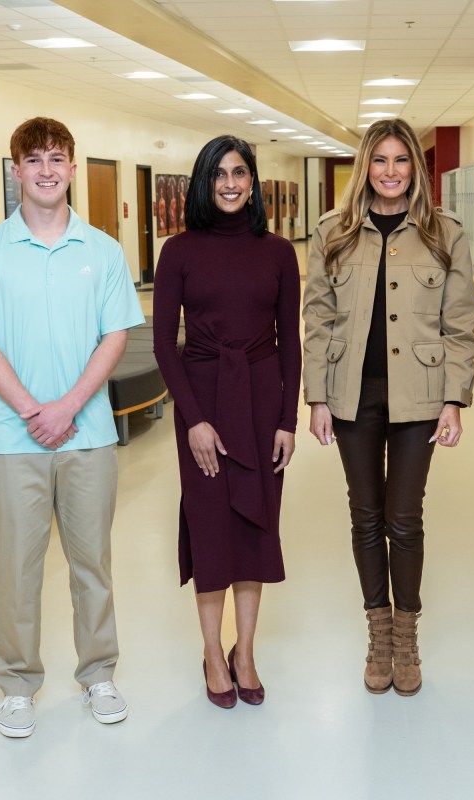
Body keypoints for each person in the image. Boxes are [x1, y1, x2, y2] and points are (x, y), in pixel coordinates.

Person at [0, 117, 144, 738]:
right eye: (35, 161)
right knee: (17, 568)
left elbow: (115, 337)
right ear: (16, 172)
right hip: (12, 440)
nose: (47, 170)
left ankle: (99, 674)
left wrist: (68, 408)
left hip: (88, 438)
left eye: (58, 159)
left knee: (93, 564)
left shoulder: (104, 251)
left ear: (73, 168)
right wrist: (35, 410)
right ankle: (17, 684)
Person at [303, 117, 474, 697]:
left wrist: (455, 398)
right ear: (365, 167)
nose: (391, 172)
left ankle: (406, 640)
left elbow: (460, 324)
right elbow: (318, 319)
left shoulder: (444, 233)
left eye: (402, 161)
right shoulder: (333, 231)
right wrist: (318, 395)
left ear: (416, 169)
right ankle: (378, 634)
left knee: (404, 519)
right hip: (352, 394)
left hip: (420, 397)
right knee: (365, 516)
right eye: (380, 161)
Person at [153, 135, 300, 709]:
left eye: (240, 173)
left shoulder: (278, 252)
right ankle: (214, 652)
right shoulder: (179, 250)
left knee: (257, 526)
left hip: (262, 400)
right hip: (203, 394)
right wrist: (193, 420)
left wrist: (286, 420)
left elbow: (290, 342)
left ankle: (247, 651)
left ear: (253, 182)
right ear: (203, 182)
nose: (231, 184)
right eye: (219, 174)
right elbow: (166, 344)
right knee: (212, 526)